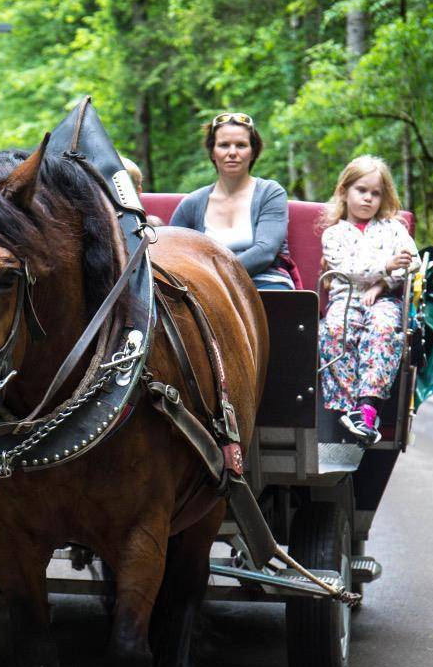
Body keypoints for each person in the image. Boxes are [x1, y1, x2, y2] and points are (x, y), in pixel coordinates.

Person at [317, 155, 419, 445]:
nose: (368, 198)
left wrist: (384, 282)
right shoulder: (334, 234)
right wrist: (384, 267)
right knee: (337, 328)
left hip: (383, 299)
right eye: (361, 190)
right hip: (345, 299)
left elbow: (411, 264)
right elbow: (346, 267)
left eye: (375, 193)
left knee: (384, 327)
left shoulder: (393, 229)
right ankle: (348, 407)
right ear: (345, 191)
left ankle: (367, 407)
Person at [168, 112, 296, 290]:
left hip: (264, 283)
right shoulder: (192, 203)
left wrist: (214, 276)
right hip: (207, 292)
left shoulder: (270, 193)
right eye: (224, 145)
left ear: (253, 153)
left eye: (241, 145)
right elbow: (170, 251)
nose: (232, 152)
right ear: (213, 152)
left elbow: (265, 252)